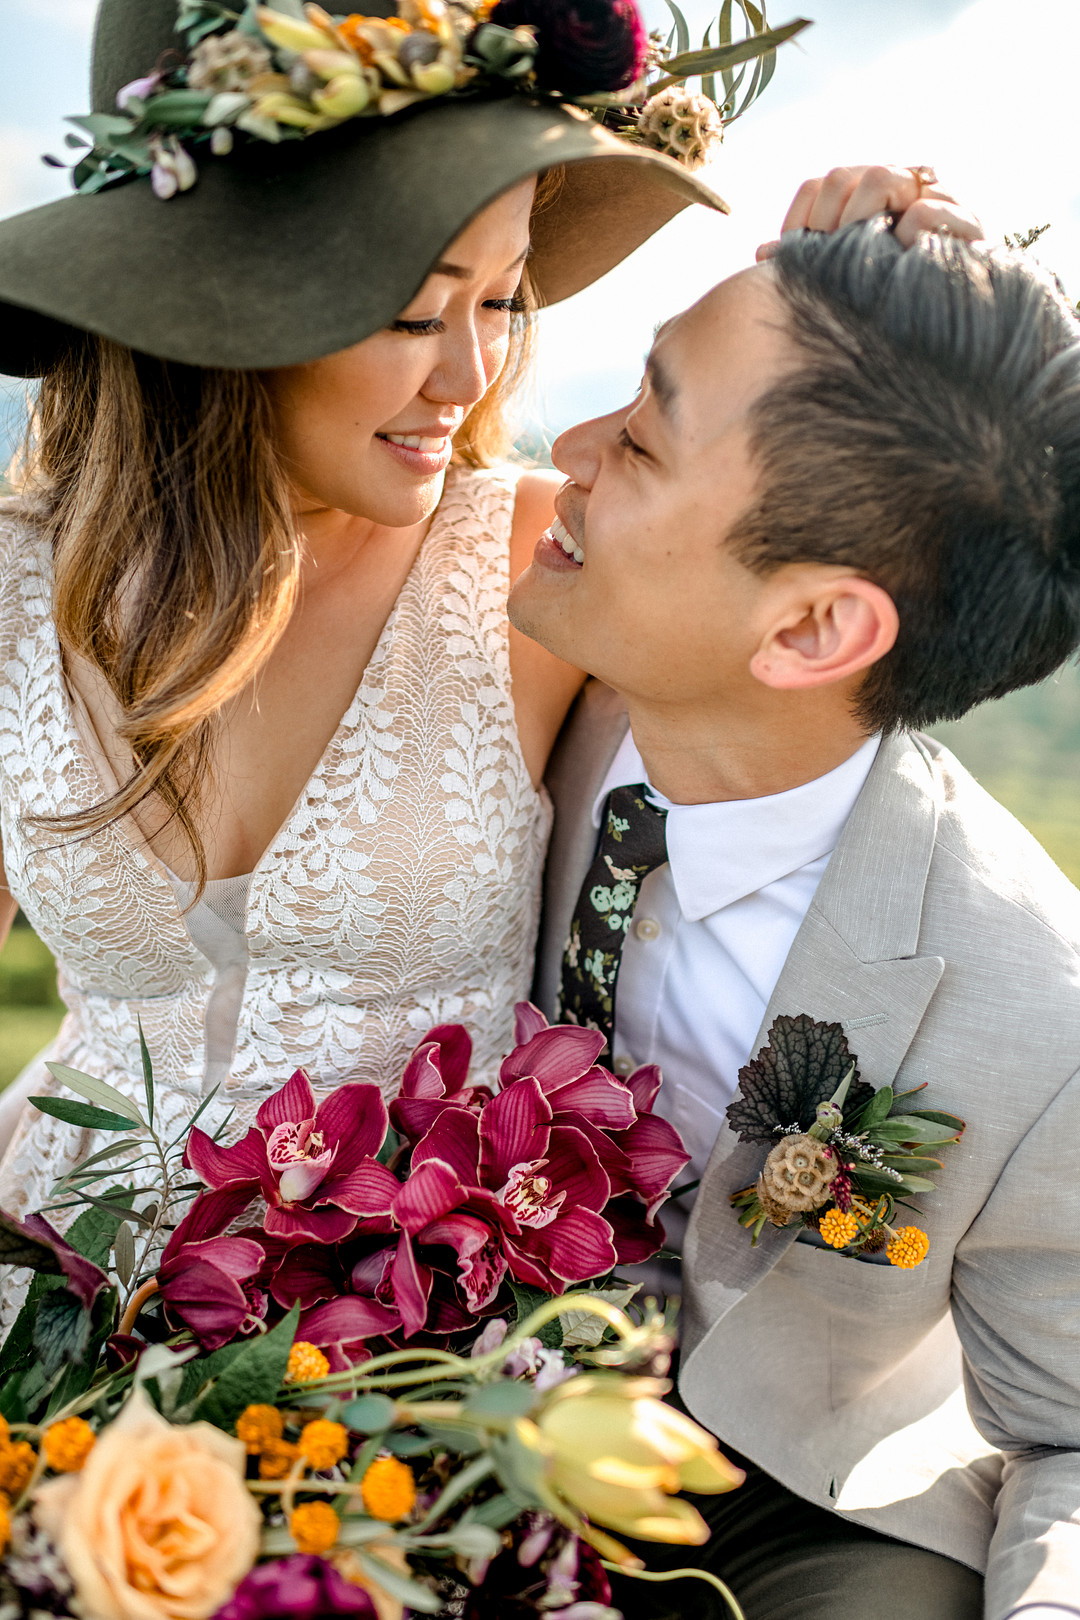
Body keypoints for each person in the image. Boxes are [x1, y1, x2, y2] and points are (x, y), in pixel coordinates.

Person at [0, 0, 729, 1226]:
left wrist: (888, 297)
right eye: (411, 311)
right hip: (48, 1296)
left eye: (501, 301)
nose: (471, 374)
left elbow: (823, 626)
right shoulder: (14, 586)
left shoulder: (539, 558)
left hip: (412, 1341)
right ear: (213, 304)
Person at [513, 198, 1080, 1616]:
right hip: (443, 1388)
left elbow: (1070, 1433)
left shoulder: (1036, 1009)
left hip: (793, 1502)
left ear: (814, 629)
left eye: (641, 439)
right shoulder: (526, 678)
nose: (567, 456)